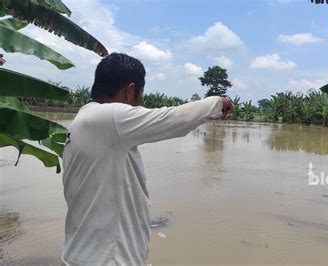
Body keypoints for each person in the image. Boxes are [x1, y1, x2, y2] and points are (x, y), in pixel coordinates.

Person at [61, 53, 233, 265]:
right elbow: (170, 119)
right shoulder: (109, 117)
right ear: (129, 90)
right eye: (140, 95)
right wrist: (217, 103)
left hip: (84, 256)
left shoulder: (83, 121)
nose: (140, 103)